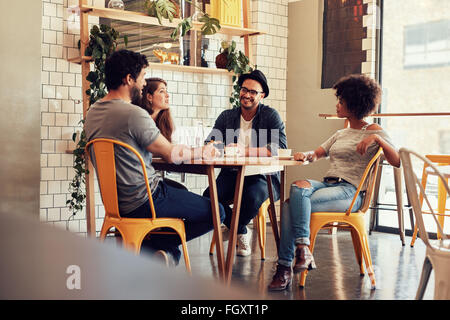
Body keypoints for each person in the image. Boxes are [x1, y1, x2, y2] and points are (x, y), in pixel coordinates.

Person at [84, 49, 224, 265]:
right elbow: (170, 154)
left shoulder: (92, 112)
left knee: (181, 190)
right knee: (217, 211)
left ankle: (152, 249)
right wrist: (202, 151)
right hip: (145, 198)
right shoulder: (133, 114)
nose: (142, 85)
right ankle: (160, 250)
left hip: (116, 203)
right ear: (129, 79)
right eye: (141, 78)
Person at [268, 74, 400, 291]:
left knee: (290, 205)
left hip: (350, 192)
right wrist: (306, 155)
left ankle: (284, 269)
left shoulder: (375, 131)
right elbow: (318, 153)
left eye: (341, 100)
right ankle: (303, 249)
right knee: (297, 187)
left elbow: (397, 161)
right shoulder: (341, 132)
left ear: (354, 103)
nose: (337, 104)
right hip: (328, 185)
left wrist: (377, 139)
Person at [203, 69, 288, 256]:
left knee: (251, 197)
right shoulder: (227, 116)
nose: (247, 95)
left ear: (262, 95)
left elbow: (278, 147)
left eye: (253, 92)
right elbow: (209, 142)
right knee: (209, 196)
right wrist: (219, 147)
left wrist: (244, 151)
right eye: (244, 90)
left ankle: (231, 227)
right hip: (232, 173)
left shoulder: (270, 116)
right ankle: (240, 229)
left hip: (263, 176)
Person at [133, 77, 187, 190]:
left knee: (180, 189)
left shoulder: (161, 122)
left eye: (166, 91)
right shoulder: (141, 121)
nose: (167, 95)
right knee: (181, 190)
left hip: (148, 178)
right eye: (162, 91)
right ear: (149, 97)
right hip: (140, 182)